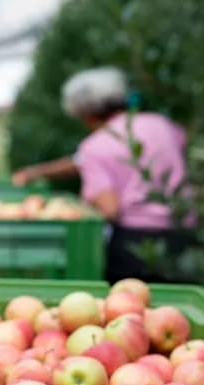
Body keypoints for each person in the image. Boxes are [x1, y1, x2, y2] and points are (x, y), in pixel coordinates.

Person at [12, 67, 191, 283]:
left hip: (135, 247)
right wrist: (36, 172)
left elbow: (109, 209)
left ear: (85, 114)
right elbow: (85, 162)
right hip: (185, 236)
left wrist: (77, 207)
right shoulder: (163, 125)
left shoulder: (95, 146)